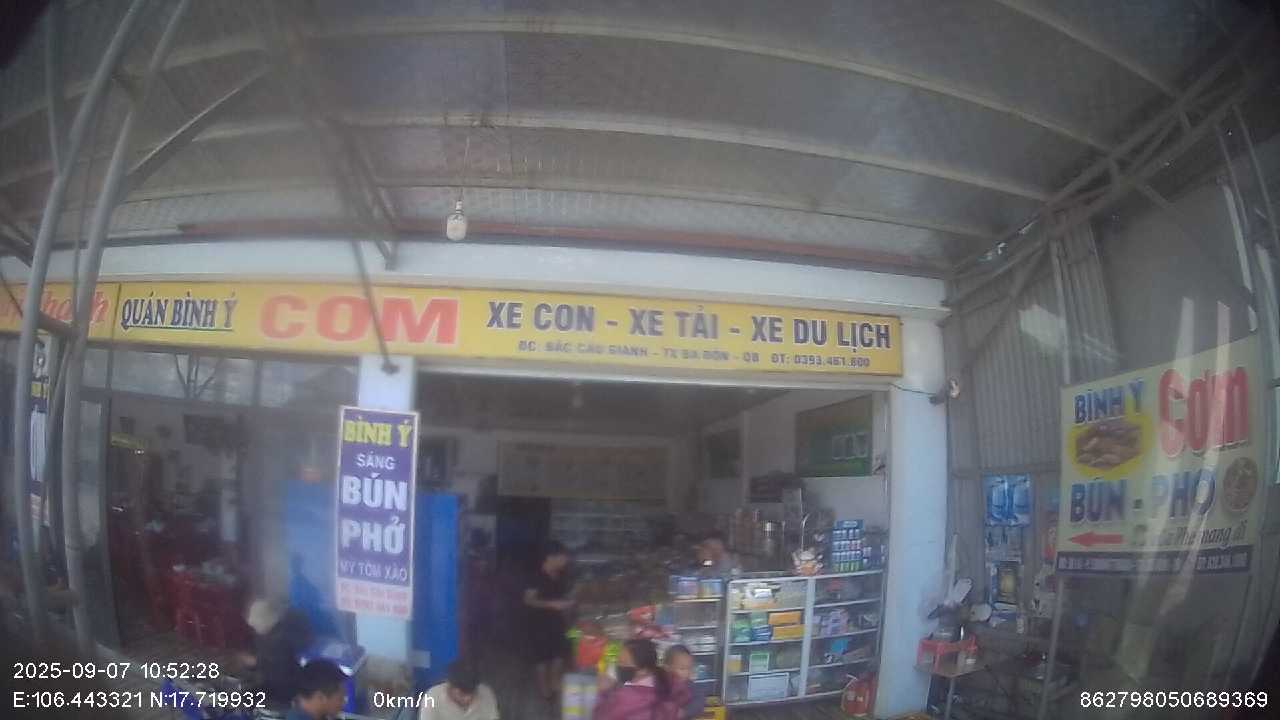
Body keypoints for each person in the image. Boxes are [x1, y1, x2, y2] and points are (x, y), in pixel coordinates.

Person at [523, 541, 574, 701]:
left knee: (559, 654)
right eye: (563, 557)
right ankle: (544, 690)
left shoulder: (559, 575)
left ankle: (554, 683)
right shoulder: (535, 576)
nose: (566, 561)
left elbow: (561, 595)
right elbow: (528, 600)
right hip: (539, 623)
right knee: (542, 658)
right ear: (551, 557)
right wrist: (552, 604)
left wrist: (567, 604)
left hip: (557, 621)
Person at [242, 597, 315, 708]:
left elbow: (281, 667)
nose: (254, 628)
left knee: (247, 700)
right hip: (273, 683)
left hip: (285, 689)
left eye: (256, 625)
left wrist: (256, 662)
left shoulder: (282, 637)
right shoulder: (267, 634)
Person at [593, 639, 687, 720]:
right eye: (618, 661)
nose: (618, 666)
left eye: (623, 662)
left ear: (643, 670)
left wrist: (604, 692)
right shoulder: (669, 683)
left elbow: (601, 716)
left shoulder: (626, 699)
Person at [420, 658, 500, 720]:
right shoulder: (432, 697)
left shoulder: (486, 694)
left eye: (472, 693)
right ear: (450, 686)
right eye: (461, 694)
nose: (468, 698)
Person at [663, 645, 707, 720]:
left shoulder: (690, 685)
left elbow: (699, 702)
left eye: (690, 668)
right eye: (682, 668)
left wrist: (684, 712)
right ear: (667, 668)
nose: (687, 672)